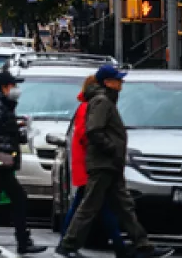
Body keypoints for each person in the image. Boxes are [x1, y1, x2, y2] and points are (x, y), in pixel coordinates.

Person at [57, 66, 171, 258]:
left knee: (124, 206)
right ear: (107, 82)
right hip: (103, 164)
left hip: (111, 164)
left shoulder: (106, 100)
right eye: (117, 80)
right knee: (90, 206)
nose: (121, 83)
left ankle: (143, 246)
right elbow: (93, 130)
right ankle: (67, 246)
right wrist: (111, 148)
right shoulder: (102, 101)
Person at [0, 70, 44, 256]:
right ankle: (23, 241)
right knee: (19, 198)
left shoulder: (5, 105)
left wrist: (18, 128)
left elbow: (1, 128)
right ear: (5, 87)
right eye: (14, 86)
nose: (16, 89)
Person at [59, 76, 126, 255]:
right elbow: (85, 134)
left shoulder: (91, 105)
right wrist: (108, 148)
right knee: (90, 205)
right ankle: (66, 241)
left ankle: (121, 244)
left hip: (92, 162)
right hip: (91, 163)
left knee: (97, 205)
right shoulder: (89, 106)